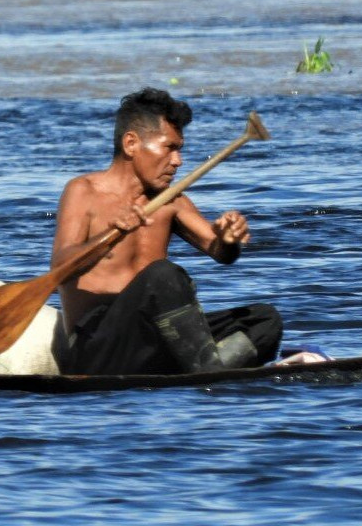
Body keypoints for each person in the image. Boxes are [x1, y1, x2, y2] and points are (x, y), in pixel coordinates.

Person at [52, 88, 282, 375]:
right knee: (162, 275)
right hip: (98, 347)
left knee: (265, 320)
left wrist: (228, 240)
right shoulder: (83, 191)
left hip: (155, 341)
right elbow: (60, 266)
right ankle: (211, 371)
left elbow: (221, 253)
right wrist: (110, 234)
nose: (178, 161)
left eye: (180, 150)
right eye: (169, 148)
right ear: (131, 143)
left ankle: (204, 367)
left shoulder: (173, 201)